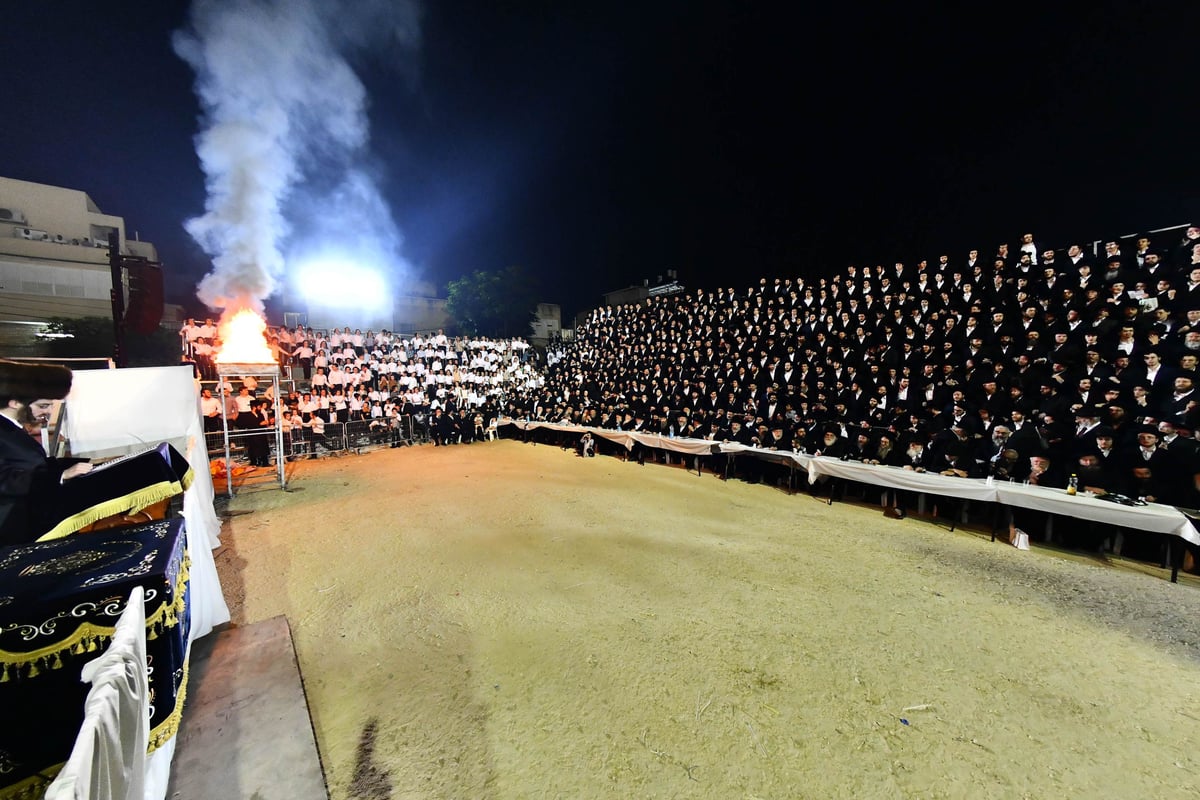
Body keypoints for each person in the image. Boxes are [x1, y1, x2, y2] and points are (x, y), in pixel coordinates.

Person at [0, 360, 93, 545]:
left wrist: (71, 468)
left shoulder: (11, 428)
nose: (49, 411)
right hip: (9, 528)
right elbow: (5, 479)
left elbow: (29, 464)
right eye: (43, 406)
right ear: (14, 402)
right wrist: (60, 475)